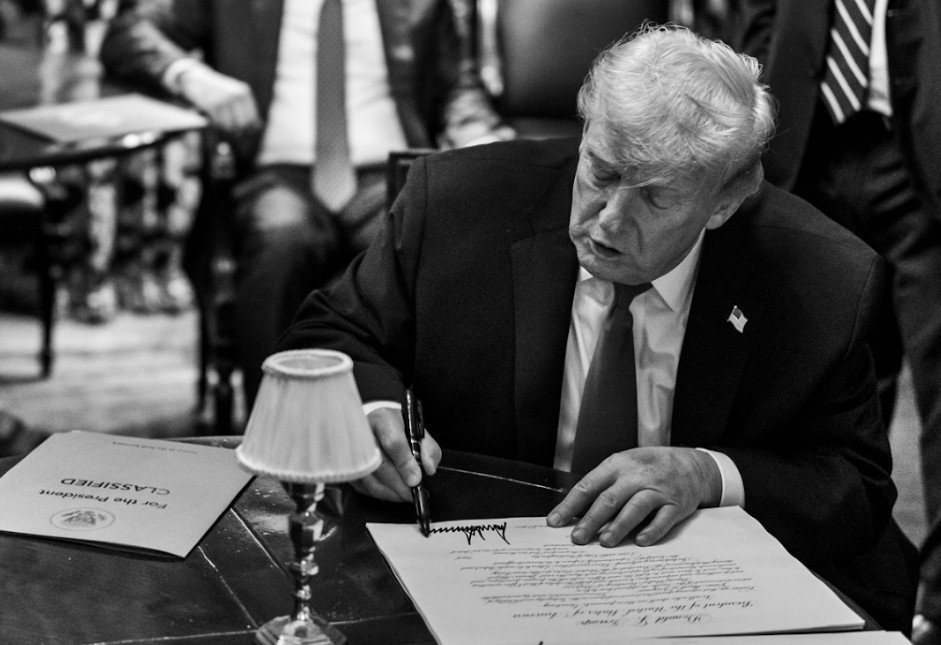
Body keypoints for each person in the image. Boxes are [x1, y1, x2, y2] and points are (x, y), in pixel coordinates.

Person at [278, 24, 917, 632]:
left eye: (655, 197)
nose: (609, 220)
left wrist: (708, 475)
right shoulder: (454, 205)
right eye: (601, 172)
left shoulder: (823, 279)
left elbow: (852, 485)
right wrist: (370, 405)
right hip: (472, 570)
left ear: (724, 201)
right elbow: (331, 332)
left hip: (696, 598)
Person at [98, 0, 512, 407]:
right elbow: (128, 33)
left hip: (385, 175)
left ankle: (397, 431)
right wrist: (188, 75)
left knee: (418, 249)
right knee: (279, 240)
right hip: (276, 174)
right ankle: (274, 434)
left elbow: (457, 84)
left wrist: (480, 137)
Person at [734, 1, 941, 639]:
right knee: (829, 373)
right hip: (809, 152)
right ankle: (840, 579)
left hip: (920, 158)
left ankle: (938, 600)